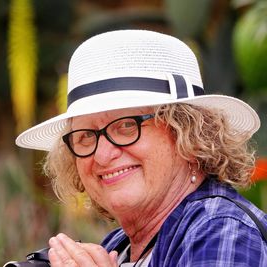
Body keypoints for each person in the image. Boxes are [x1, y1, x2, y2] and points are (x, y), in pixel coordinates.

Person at [15, 30, 267, 266]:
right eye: (85, 136)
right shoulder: (119, 246)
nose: (102, 155)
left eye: (126, 126)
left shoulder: (220, 228)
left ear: (189, 133)